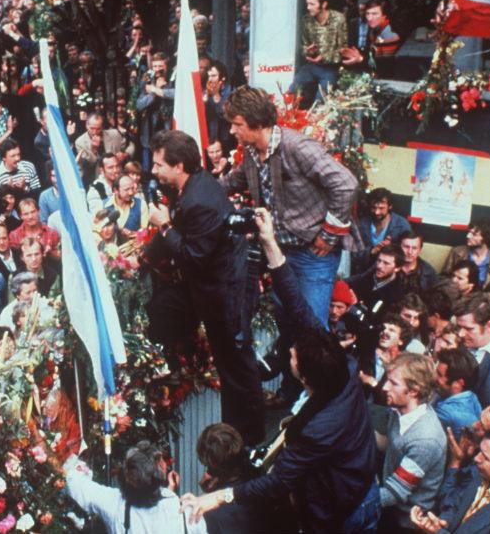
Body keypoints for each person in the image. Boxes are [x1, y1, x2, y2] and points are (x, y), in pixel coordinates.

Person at [180, 207, 379, 533]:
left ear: (304, 378)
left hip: (344, 509)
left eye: (294, 355)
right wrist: (270, 242)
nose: (289, 350)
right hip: (360, 483)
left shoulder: (317, 431)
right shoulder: (340, 365)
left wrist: (220, 497)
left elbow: (278, 482)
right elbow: (298, 305)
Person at [144, 130, 263, 444]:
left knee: (236, 368)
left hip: (226, 297)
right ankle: (237, 434)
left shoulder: (200, 201)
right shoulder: (195, 187)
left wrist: (164, 225)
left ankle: (248, 440)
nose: (154, 171)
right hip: (218, 292)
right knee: (232, 367)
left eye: (159, 165)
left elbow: (194, 257)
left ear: (179, 165)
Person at [225, 85, 358, 327]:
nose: (231, 130)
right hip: (282, 254)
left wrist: (329, 234)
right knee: (287, 324)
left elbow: (346, 183)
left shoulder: (297, 147)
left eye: (237, 123)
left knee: (312, 329)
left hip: (313, 255)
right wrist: (196, 188)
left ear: (256, 122)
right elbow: (234, 180)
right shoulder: (252, 151)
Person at [409, 425, 490, 534]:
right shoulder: (482, 474)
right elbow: (455, 508)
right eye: (480, 451)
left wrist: (437, 532)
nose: (476, 458)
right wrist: (438, 523)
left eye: (486, 458)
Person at [65, 440, 205, 534]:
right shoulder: (189, 512)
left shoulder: (114, 504)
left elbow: (74, 482)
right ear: (159, 474)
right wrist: (169, 491)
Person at [376, 353, 446, 533]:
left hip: (404, 523)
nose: (385, 387)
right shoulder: (398, 411)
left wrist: (349, 501)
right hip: (389, 504)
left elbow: (395, 493)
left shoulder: (425, 439)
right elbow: (389, 445)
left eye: (393, 383)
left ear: (414, 391)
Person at [290, 0, 347, 104]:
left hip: (331, 68)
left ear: (324, 4)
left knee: (320, 101)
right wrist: (308, 51)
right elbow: (303, 47)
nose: (308, 7)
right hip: (311, 66)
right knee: (292, 92)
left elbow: (343, 50)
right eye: (307, 4)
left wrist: (325, 57)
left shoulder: (339, 19)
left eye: (312, 4)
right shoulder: (306, 20)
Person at [441, 221, 490, 304]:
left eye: (474, 234)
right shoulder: (457, 252)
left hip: (481, 305)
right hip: (454, 299)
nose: (468, 236)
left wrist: (477, 297)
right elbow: (443, 279)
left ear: (485, 238)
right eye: (469, 232)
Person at [433, 349, 482, 435]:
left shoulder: (446, 413)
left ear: (459, 383)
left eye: (440, 375)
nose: (434, 377)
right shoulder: (472, 397)